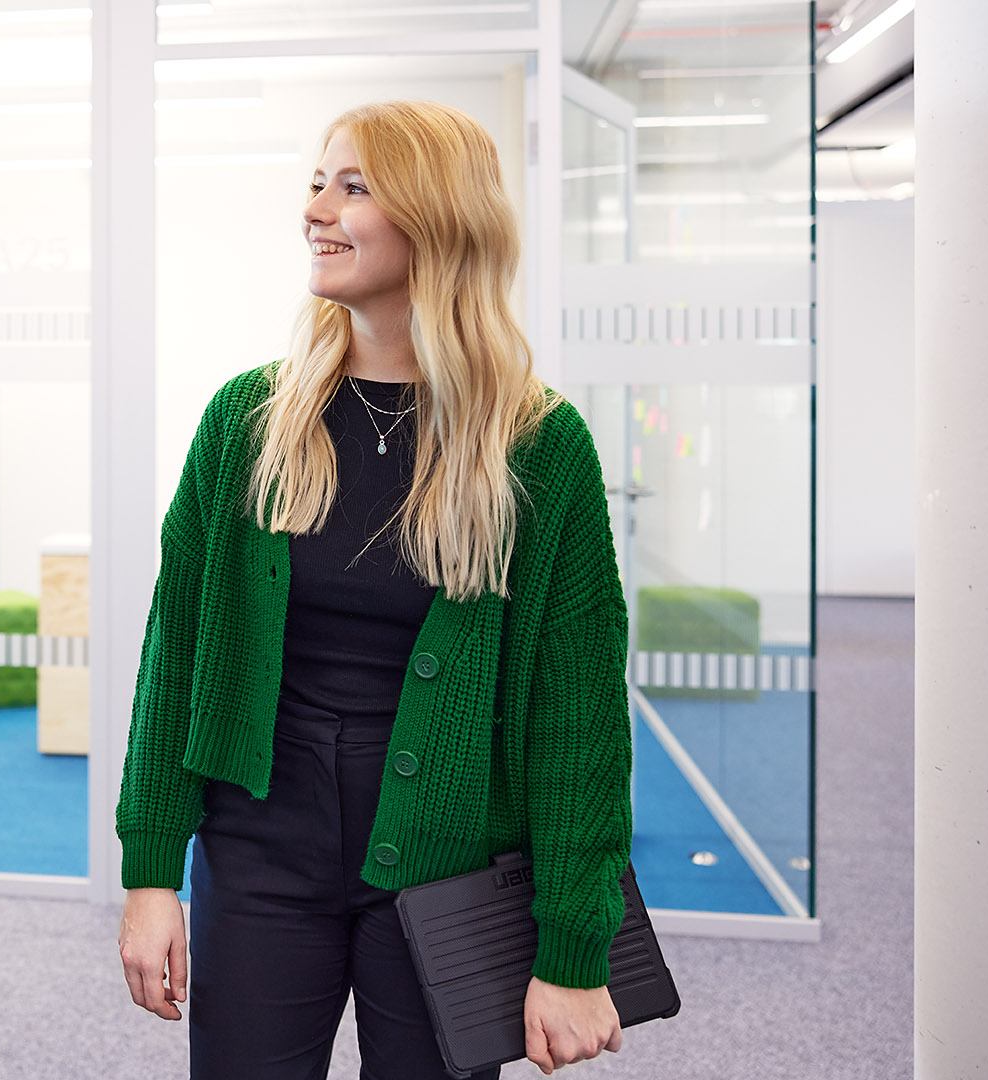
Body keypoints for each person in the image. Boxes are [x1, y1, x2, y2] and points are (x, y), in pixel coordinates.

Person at [114, 100, 632, 1079]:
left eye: (353, 186)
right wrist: (150, 874)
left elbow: (580, 718)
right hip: (262, 848)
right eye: (317, 181)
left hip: (453, 860)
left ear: (439, 219)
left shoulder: (536, 445)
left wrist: (574, 949)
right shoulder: (248, 421)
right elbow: (175, 656)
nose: (317, 207)